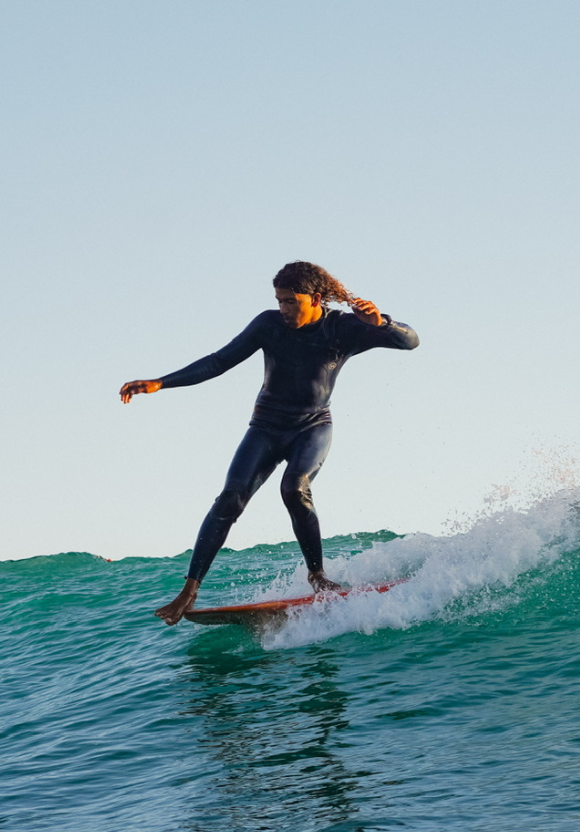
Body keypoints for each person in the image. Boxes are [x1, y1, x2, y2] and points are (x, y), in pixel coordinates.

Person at [120, 261, 419, 624]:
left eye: (291, 301)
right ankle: (189, 590)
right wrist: (161, 382)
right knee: (230, 498)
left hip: (312, 427)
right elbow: (219, 361)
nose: (283, 309)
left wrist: (381, 323)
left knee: (295, 488)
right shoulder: (268, 325)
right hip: (265, 427)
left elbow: (411, 341)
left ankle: (317, 576)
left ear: (316, 299)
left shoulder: (343, 327)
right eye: (279, 301)